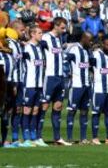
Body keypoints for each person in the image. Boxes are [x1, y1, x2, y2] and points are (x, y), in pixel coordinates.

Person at [39, 17, 71, 146]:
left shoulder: (59, 39)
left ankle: (57, 137)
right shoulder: (46, 37)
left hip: (60, 76)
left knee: (58, 106)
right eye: (62, 27)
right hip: (50, 76)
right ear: (56, 26)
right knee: (44, 106)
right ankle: (38, 136)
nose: (64, 30)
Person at [65, 32, 93, 144]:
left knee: (84, 111)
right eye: (89, 40)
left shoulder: (87, 51)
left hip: (86, 84)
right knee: (72, 111)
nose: (90, 42)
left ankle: (83, 138)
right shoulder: (74, 49)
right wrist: (67, 72)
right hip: (76, 85)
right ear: (83, 38)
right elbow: (63, 60)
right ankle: (69, 138)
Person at [21, 26, 46, 147]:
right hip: (29, 84)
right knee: (27, 110)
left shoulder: (39, 48)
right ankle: (26, 138)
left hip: (39, 85)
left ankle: (34, 136)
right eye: (40, 33)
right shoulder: (27, 48)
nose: (42, 35)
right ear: (32, 34)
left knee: (36, 110)